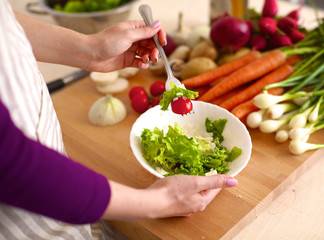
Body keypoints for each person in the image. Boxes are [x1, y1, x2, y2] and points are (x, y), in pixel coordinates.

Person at [0, 0, 238, 239]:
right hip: (28, 217)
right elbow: (12, 164)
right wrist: (158, 201)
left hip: (66, 191)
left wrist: (90, 49)